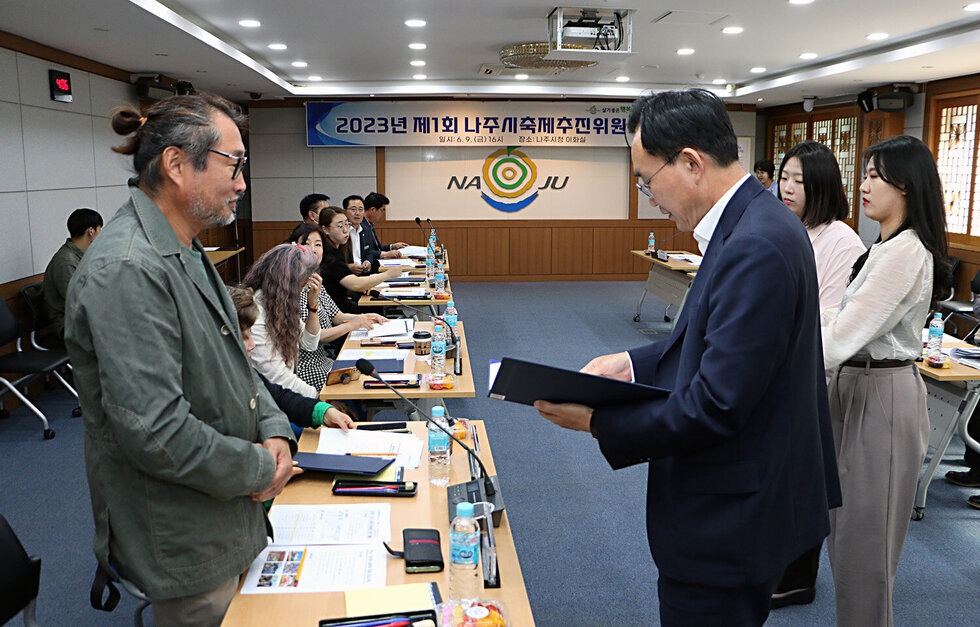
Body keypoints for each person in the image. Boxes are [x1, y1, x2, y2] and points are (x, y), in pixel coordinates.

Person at [533, 88, 840, 626]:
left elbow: (718, 403)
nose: (647, 194)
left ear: (691, 162)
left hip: (731, 517)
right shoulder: (750, 223)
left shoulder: (756, 243)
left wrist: (599, 421)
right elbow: (717, 339)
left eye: (645, 178)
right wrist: (630, 364)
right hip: (740, 499)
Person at [65, 93, 296, 627]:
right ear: (175, 164)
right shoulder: (128, 268)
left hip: (229, 511)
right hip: (187, 538)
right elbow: (155, 431)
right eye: (233, 164)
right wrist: (263, 465)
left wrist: (273, 426)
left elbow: (237, 364)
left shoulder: (183, 246)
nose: (242, 182)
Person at [820, 135, 951, 627]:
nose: (865, 184)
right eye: (866, 173)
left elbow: (839, 337)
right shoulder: (883, 245)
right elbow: (841, 313)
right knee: (845, 534)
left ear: (908, 185)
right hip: (853, 387)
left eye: (877, 175)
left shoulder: (906, 252)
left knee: (864, 551)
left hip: (882, 393)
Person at [770, 140, 867, 608]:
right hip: (780, 369)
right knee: (778, 475)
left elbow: (828, 319)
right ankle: (779, 567)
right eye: (784, 177)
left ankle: (798, 578)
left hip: (815, 375)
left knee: (804, 478)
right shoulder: (787, 228)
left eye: (799, 182)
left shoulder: (842, 241)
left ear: (823, 187)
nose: (786, 188)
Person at [228, 285, 354, 434]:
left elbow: (279, 394)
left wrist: (323, 411)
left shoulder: (243, 370)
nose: (252, 344)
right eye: (245, 337)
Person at [289, 223, 387, 389]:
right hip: (306, 369)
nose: (313, 249)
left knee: (376, 374)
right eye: (306, 243)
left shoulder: (315, 279)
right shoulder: (293, 287)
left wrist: (365, 318)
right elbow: (312, 338)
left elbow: (337, 316)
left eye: (318, 244)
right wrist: (352, 325)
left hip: (324, 361)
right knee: (365, 385)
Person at [318, 206, 402, 313]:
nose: (345, 230)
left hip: (342, 304)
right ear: (325, 229)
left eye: (347, 225)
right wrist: (388, 274)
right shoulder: (329, 255)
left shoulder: (340, 249)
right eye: (340, 226)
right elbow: (355, 284)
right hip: (336, 311)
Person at [43, 207, 103, 337]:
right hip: (68, 325)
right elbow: (79, 301)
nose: (101, 234)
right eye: (100, 230)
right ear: (91, 231)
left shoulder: (82, 256)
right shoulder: (66, 261)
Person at [362, 191, 408, 260]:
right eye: (382, 210)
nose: (383, 213)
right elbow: (365, 252)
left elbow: (377, 248)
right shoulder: (361, 226)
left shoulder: (369, 224)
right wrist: (385, 254)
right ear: (373, 210)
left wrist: (392, 246)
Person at [343, 194, 374, 274]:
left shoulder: (366, 230)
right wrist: (347, 267)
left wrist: (368, 262)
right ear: (345, 211)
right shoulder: (341, 232)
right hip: (346, 276)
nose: (357, 213)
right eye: (353, 209)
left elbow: (370, 252)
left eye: (361, 210)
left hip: (363, 274)